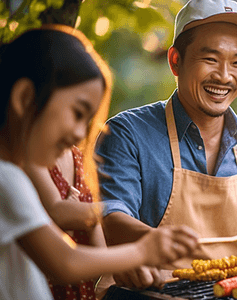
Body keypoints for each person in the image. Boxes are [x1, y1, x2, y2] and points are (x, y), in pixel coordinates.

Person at [95, 0, 237, 289]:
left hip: (219, 292)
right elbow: (111, 216)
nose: (224, 76)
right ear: (176, 60)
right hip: (141, 292)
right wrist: (152, 243)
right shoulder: (127, 133)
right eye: (211, 59)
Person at [0, 25, 199, 300]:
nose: (81, 134)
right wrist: (143, 250)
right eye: (77, 113)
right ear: (25, 99)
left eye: (88, 121)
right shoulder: (6, 179)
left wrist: (125, 261)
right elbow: (65, 262)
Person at [25, 146, 107, 300]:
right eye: (76, 120)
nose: (80, 132)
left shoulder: (81, 158)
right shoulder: (30, 157)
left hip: (80, 287)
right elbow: (58, 213)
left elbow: (100, 252)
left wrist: (89, 216)